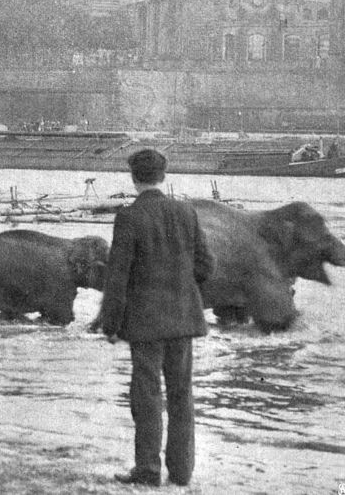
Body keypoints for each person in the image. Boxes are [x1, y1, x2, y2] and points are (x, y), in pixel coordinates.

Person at [95, 149, 214, 487]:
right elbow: (207, 266)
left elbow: (117, 278)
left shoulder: (129, 217)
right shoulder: (186, 211)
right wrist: (181, 286)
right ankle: (181, 472)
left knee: (146, 395)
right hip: (183, 320)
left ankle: (147, 469)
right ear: (164, 176)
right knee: (182, 394)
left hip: (145, 325)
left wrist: (111, 324)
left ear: (134, 178)